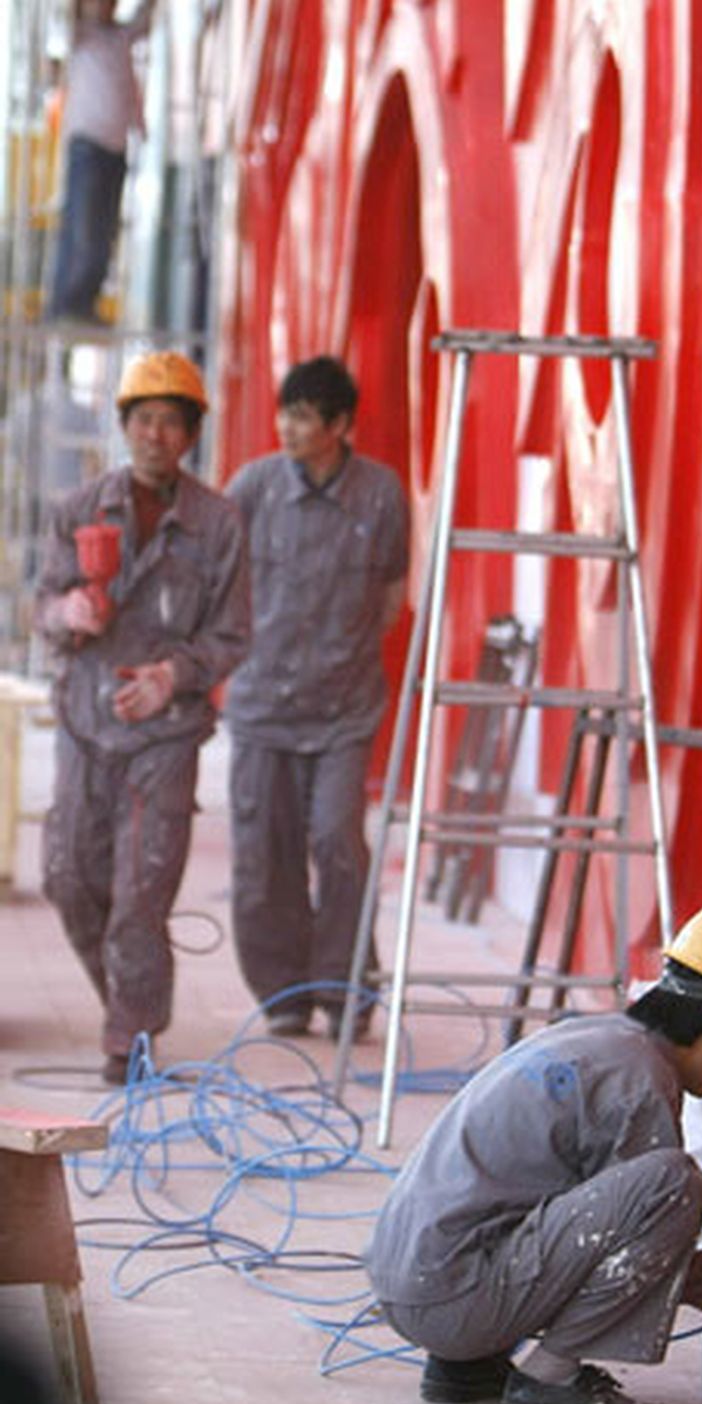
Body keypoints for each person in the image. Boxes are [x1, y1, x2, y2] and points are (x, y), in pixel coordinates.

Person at [364, 904, 702, 1404]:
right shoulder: (641, 1085)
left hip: (415, 1278)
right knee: (672, 1182)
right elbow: (650, 1227)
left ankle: (466, 1370)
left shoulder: (603, 1041)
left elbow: (608, 1191)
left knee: (651, 1184)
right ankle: (548, 1381)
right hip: (453, 1299)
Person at [36, 351, 251, 1084]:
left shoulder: (218, 524)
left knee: (142, 891)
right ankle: (125, 1002)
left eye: (172, 421)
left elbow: (232, 634)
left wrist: (172, 677)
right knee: (68, 878)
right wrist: (68, 613)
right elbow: (43, 607)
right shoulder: (78, 511)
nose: (157, 434)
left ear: (191, 433)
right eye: (145, 419)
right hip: (85, 726)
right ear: (125, 425)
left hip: (164, 736)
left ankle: (130, 1034)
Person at [223, 356, 409, 1039]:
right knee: (262, 854)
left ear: (338, 425)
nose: (288, 428)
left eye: (303, 416)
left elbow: (391, 595)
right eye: (285, 412)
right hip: (261, 707)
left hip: (344, 709)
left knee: (337, 841)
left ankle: (346, 988)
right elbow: (217, 580)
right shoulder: (252, 489)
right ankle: (286, 994)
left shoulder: (382, 495)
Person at [47, 0, 156, 323]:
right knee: (83, 229)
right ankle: (66, 304)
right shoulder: (79, 36)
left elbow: (146, 18)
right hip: (87, 146)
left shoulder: (120, 37)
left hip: (115, 146)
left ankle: (82, 303)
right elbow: (61, 18)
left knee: (104, 231)